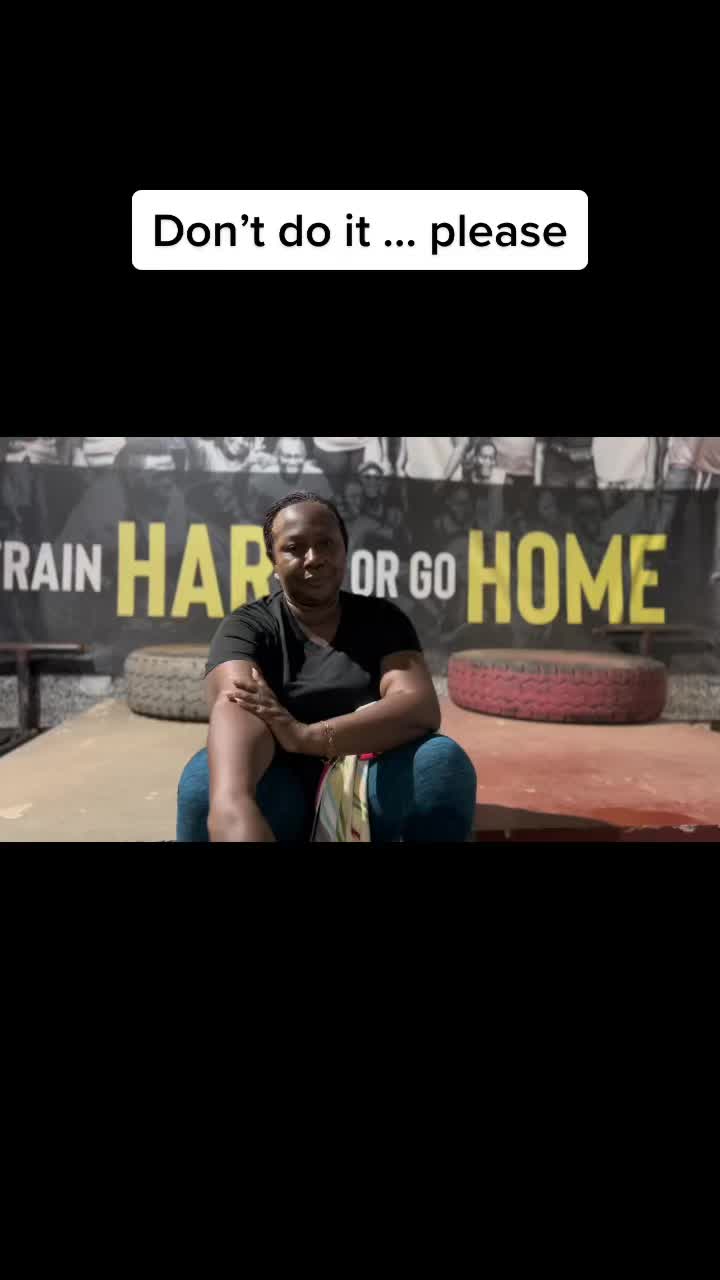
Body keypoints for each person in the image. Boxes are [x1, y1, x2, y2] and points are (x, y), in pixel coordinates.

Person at [176, 491, 477, 843]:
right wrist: (233, 803)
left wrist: (307, 736)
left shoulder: (382, 620)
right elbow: (238, 707)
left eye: (326, 544)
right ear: (273, 560)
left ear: (344, 550)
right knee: (203, 787)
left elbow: (418, 708)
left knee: (441, 764)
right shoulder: (247, 627)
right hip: (278, 782)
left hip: (365, 782)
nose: (314, 558)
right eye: (294, 548)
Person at [313, 437, 392, 479]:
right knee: (338, 476)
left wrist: (385, 457)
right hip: (330, 445)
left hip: (364, 443)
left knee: (357, 482)